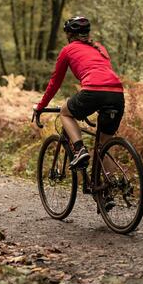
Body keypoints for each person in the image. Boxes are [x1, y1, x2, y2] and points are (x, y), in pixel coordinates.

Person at [34, 15, 125, 174]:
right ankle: (110, 189)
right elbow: (104, 74)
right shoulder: (100, 48)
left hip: (93, 90)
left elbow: (55, 83)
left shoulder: (67, 50)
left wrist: (41, 107)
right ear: (87, 33)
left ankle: (79, 149)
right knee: (104, 146)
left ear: (69, 35)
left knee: (65, 112)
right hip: (117, 94)